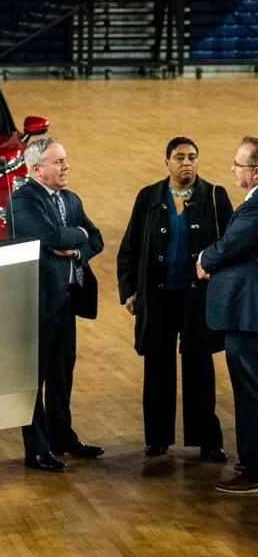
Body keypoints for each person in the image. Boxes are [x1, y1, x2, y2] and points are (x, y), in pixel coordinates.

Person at [117, 137, 232, 462]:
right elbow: (130, 247)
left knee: (199, 366)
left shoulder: (214, 196)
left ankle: (207, 440)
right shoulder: (149, 197)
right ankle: (157, 438)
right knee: (157, 366)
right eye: (179, 157)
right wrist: (128, 289)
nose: (187, 163)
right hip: (159, 297)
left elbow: (232, 245)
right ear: (167, 162)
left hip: (198, 299)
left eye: (192, 157)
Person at [8, 137, 106, 471]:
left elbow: (96, 239)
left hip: (66, 301)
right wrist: (75, 234)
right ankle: (36, 448)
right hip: (36, 304)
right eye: (58, 162)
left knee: (63, 373)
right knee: (34, 378)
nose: (66, 167)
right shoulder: (22, 201)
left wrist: (76, 246)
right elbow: (51, 238)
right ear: (37, 169)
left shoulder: (71, 199)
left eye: (65, 160)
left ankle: (61, 436)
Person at [196, 136, 258, 494]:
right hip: (246, 315)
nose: (234, 169)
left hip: (248, 317)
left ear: (256, 171)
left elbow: (232, 244)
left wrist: (204, 259)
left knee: (250, 394)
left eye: (239, 164)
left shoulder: (255, 207)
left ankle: (253, 468)